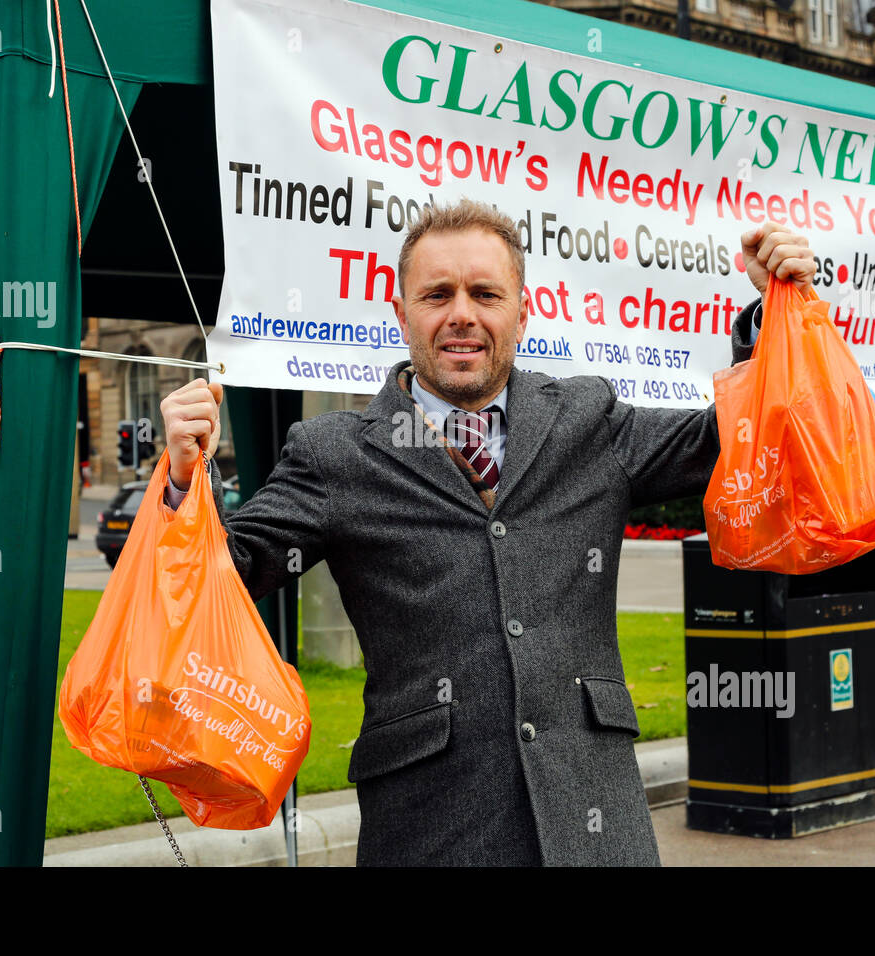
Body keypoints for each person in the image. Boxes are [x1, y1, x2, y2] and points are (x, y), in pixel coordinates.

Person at [159, 200, 816, 866]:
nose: (462, 314)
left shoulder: (588, 420)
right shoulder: (336, 455)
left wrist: (777, 316)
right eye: (437, 294)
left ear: (521, 312)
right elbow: (222, 574)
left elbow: (736, 437)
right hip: (431, 830)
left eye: (485, 293)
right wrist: (183, 486)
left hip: (595, 824)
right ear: (402, 312)